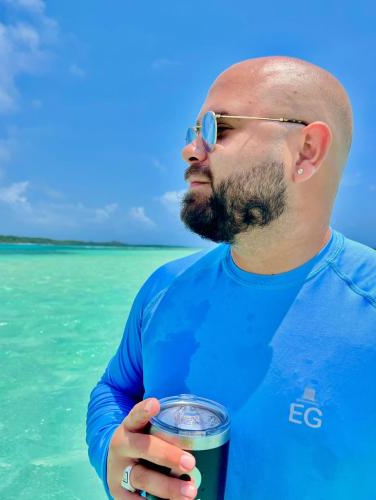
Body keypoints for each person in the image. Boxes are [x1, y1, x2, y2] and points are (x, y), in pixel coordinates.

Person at [86, 56, 376, 500]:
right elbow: (116, 388)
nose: (190, 150)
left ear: (307, 151)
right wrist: (111, 453)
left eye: (216, 128)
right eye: (192, 132)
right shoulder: (165, 287)